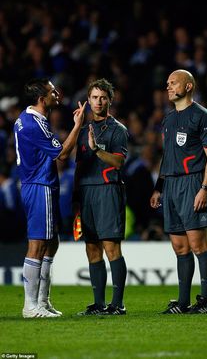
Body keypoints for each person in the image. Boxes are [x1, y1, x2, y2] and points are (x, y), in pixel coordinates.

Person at [14, 78, 86, 318]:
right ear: (41, 99)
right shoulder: (34, 124)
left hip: (41, 184)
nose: (57, 93)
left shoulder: (27, 119)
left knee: (50, 243)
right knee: (37, 245)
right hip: (39, 186)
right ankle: (31, 307)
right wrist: (78, 125)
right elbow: (63, 154)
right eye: (52, 91)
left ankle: (42, 302)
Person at [150, 69, 207, 314]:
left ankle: (205, 301)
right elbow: (167, 156)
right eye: (167, 83)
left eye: (173, 83)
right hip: (170, 186)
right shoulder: (168, 120)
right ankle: (182, 302)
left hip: (192, 183)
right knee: (180, 247)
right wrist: (159, 188)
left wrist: (204, 188)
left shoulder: (202, 116)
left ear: (188, 86)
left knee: (198, 245)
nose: (168, 87)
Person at [73, 78, 128, 315]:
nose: (98, 101)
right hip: (86, 193)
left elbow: (118, 162)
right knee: (91, 248)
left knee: (111, 247)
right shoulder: (82, 130)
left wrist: (96, 149)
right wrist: (76, 200)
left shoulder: (118, 129)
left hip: (108, 191)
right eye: (94, 97)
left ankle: (117, 304)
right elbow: (77, 166)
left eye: (103, 97)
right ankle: (99, 304)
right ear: (88, 100)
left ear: (110, 100)